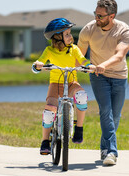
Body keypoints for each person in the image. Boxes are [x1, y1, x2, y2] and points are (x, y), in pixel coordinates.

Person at [77, 0, 129, 166]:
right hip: (98, 76)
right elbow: (78, 55)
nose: (96, 18)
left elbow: (119, 55)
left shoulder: (124, 31)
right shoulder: (88, 29)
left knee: (115, 115)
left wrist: (103, 64)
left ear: (111, 16)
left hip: (119, 75)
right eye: (95, 14)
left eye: (100, 15)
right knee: (106, 111)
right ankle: (112, 152)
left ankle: (104, 147)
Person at [33, 18, 96, 155]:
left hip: (72, 82)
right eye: (66, 34)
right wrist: (37, 65)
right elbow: (40, 61)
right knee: (49, 111)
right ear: (57, 37)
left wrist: (88, 65)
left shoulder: (74, 49)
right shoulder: (49, 50)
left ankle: (79, 128)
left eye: (70, 33)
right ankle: (45, 141)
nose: (70, 36)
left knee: (82, 96)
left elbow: (83, 60)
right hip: (55, 84)